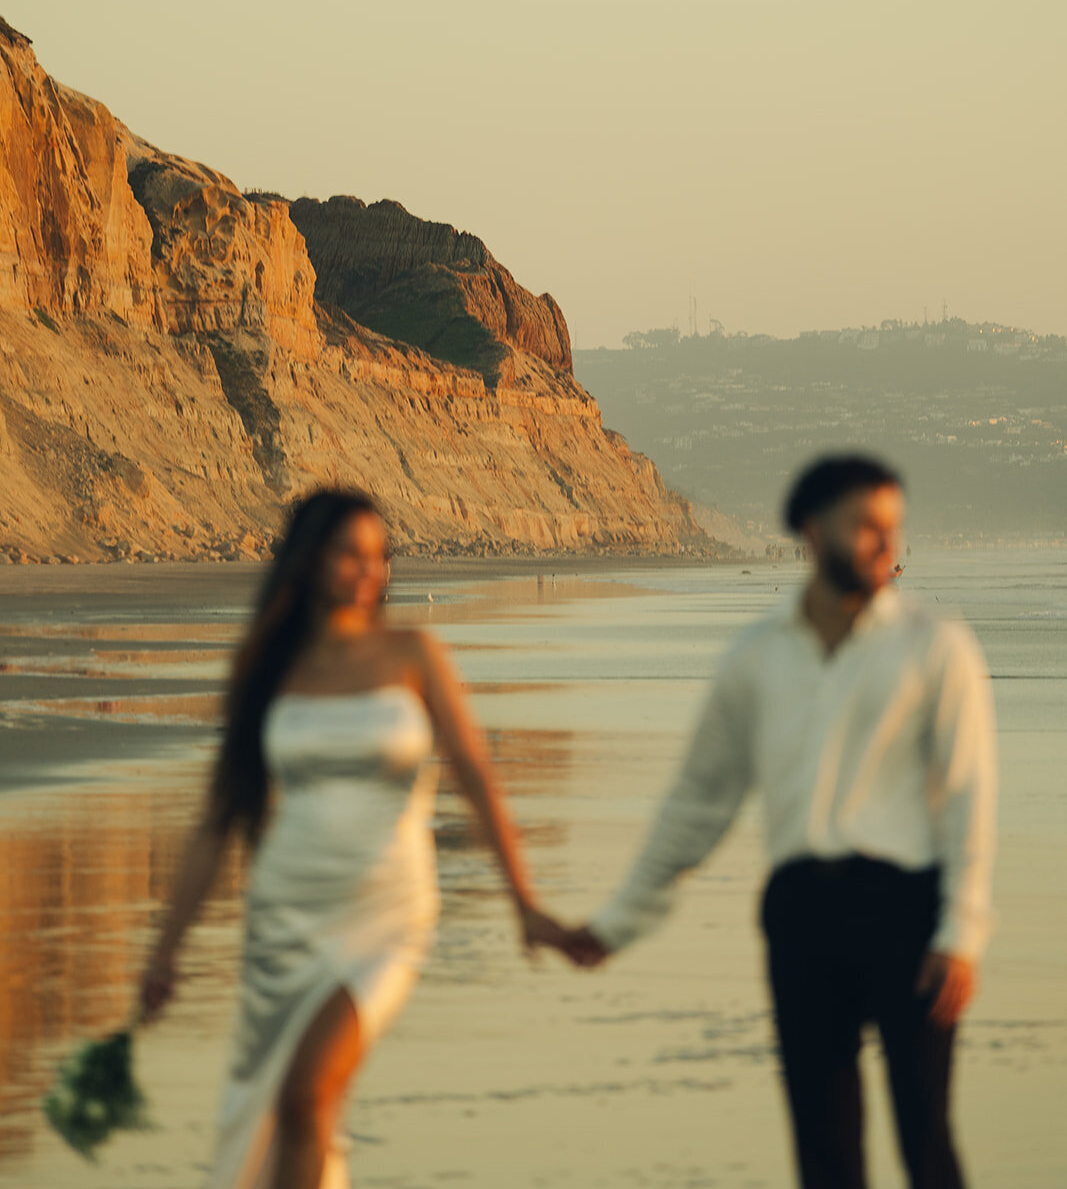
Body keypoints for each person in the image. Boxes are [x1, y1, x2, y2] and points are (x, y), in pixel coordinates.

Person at [565, 454, 997, 1189]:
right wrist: (617, 924)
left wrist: (960, 932)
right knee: (823, 1154)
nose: (882, 544)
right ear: (810, 528)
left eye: (890, 527)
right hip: (801, 916)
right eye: (864, 526)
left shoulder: (935, 645)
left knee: (926, 1141)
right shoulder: (756, 658)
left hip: (908, 912)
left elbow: (967, 795)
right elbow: (695, 807)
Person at [138, 488, 569, 1189]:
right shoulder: (268, 671)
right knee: (280, 1118)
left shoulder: (412, 654)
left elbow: (475, 775)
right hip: (284, 917)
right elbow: (218, 819)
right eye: (351, 553)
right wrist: (165, 951)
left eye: (381, 556)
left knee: (305, 1098)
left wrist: (524, 903)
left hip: (387, 912)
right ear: (308, 562)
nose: (371, 570)